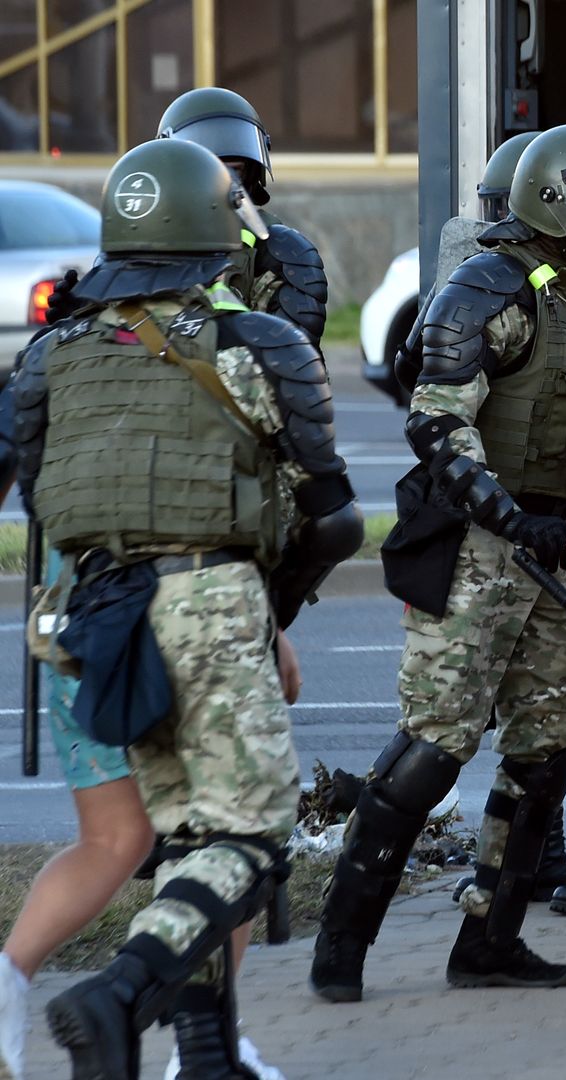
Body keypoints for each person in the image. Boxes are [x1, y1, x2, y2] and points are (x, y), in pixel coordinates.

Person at [310, 123, 566, 1003]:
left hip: (558, 544)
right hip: (479, 544)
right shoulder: (485, 289)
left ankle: (490, 940)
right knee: (436, 745)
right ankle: (341, 942)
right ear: (552, 201)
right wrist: (505, 516)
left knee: (545, 748)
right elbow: (438, 424)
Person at [12, 136, 359, 1080]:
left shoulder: (54, 351)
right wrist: (269, 604)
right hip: (208, 598)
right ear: (217, 229)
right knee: (250, 832)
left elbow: (31, 483)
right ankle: (118, 992)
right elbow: (333, 520)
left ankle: (208, 1057)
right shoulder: (258, 341)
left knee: (188, 841)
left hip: (97, 614)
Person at [157, 87, 329, 342]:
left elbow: (290, 357)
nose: (223, 181)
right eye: (208, 169)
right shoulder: (144, 238)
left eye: (234, 170)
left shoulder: (275, 250)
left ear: (250, 173)